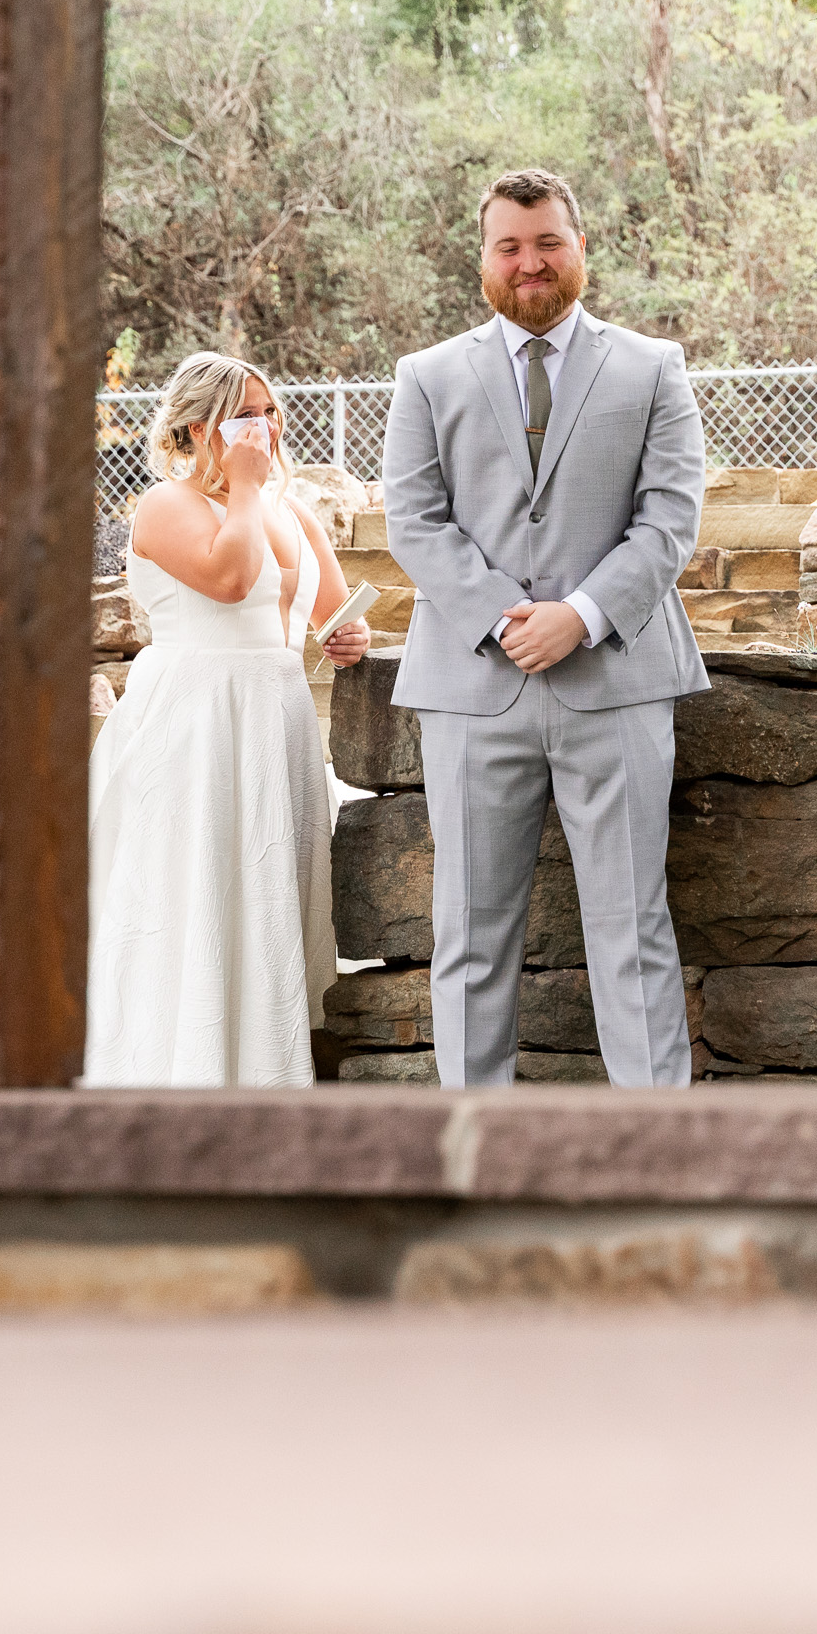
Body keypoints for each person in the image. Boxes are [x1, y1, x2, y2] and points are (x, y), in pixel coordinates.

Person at [381, 167, 708, 1089]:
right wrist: (502, 618)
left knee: (632, 932)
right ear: (484, 258)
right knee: (470, 938)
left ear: (579, 246)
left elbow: (670, 518)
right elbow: (414, 520)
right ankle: (475, 1152)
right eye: (510, 246)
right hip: (472, 693)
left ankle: (658, 1155)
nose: (530, 262)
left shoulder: (653, 368)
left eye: (547, 242)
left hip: (617, 685)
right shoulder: (427, 377)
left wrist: (581, 616)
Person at [85, 351, 371, 1087]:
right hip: (198, 724)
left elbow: (328, 610)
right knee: (198, 894)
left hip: (275, 719)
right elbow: (231, 577)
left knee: (267, 890)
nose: (265, 427)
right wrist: (244, 487)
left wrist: (349, 634)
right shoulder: (164, 505)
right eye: (245, 414)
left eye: (270, 411)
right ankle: (181, 1076)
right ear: (194, 427)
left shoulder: (294, 512)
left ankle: (266, 1072)